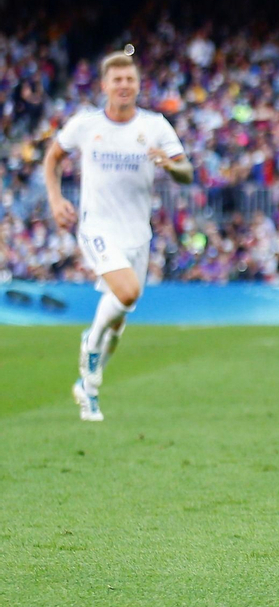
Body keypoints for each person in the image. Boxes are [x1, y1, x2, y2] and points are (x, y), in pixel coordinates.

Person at [43, 48, 193, 421]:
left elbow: (187, 172)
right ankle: (89, 346)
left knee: (119, 320)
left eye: (130, 79)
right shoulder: (85, 124)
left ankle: (88, 389)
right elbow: (53, 157)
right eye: (117, 80)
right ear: (105, 85)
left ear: (138, 85)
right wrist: (56, 199)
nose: (124, 85)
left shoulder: (155, 126)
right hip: (97, 227)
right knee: (126, 292)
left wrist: (169, 165)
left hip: (137, 235)